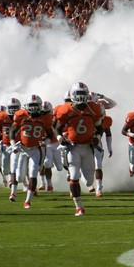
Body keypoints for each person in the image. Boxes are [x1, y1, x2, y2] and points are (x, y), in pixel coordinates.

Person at [55, 82, 103, 216]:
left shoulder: (93, 108)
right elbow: (57, 128)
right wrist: (60, 138)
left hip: (88, 147)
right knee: (75, 176)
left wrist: (97, 138)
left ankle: (80, 180)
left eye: (83, 94)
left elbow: (100, 127)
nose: (81, 97)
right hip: (73, 146)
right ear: (72, 95)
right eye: (78, 94)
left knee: (88, 180)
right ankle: (79, 207)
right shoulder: (66, 109)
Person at [10, 95, 54, 209]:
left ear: (40, 106)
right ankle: (22, 189)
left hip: (36, 149)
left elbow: (51, 135)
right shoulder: (21, 115)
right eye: (31, 106)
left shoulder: (45, 118)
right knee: (20, 177)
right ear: (27, 106)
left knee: (33, 173)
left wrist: (46, 141)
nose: (33, 108)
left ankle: (28, 201)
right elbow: (12, 130)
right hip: (23, 149)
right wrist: (12, 144)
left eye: (35, 106)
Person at [0, 98, 21, 202]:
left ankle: (13, 193)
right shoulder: (1, 116)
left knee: (13, 167)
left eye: (15, 108)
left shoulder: (22, 116)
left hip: (17, 146)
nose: (13, 110)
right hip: (5, 145)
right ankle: (10, 179)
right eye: (11, 108)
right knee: (5, 169)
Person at [39, 101, 62, 192]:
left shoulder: (55, 118)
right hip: (46, 143)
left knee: (59, 167)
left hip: (56, 143)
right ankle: (47, 184)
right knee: (46, 163)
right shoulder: (40, 118)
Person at [91, 105, 113, 197]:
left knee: (98, 165)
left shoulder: (106, 120)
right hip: (85, 144)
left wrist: (109, 147)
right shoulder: (88, 117)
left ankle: (99, 189)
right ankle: (88, 185)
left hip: (97, 145)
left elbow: (108, 133)